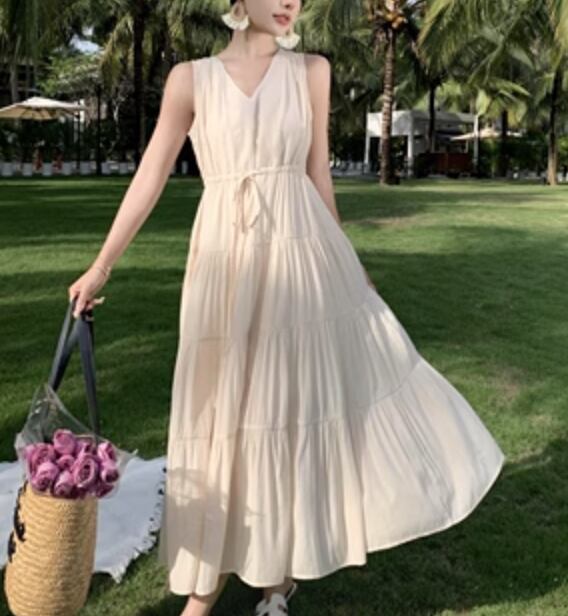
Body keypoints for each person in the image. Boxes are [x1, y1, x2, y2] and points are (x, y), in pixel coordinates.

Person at [68, 1, 506, 615]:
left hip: (302, 258)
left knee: (289, 414)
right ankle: (212, 588)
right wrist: (102, 265)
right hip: (223, 264)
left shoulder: (312, 71)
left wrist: (348, 261)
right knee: (221, 417)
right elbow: (151, 175)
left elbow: (317, 173)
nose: (289, 2)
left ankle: (273, 580)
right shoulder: (190, 79)